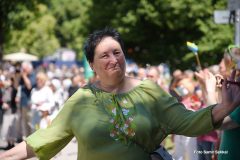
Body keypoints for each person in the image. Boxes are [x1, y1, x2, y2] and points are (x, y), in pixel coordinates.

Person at [1, 27, 240, 160]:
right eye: (105, 55)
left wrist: (224, 107)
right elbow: (46, 137)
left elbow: (188, 122)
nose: (114, 59)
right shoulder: (81, 99)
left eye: (117, 52)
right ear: (92, 66)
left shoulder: (149, 91)